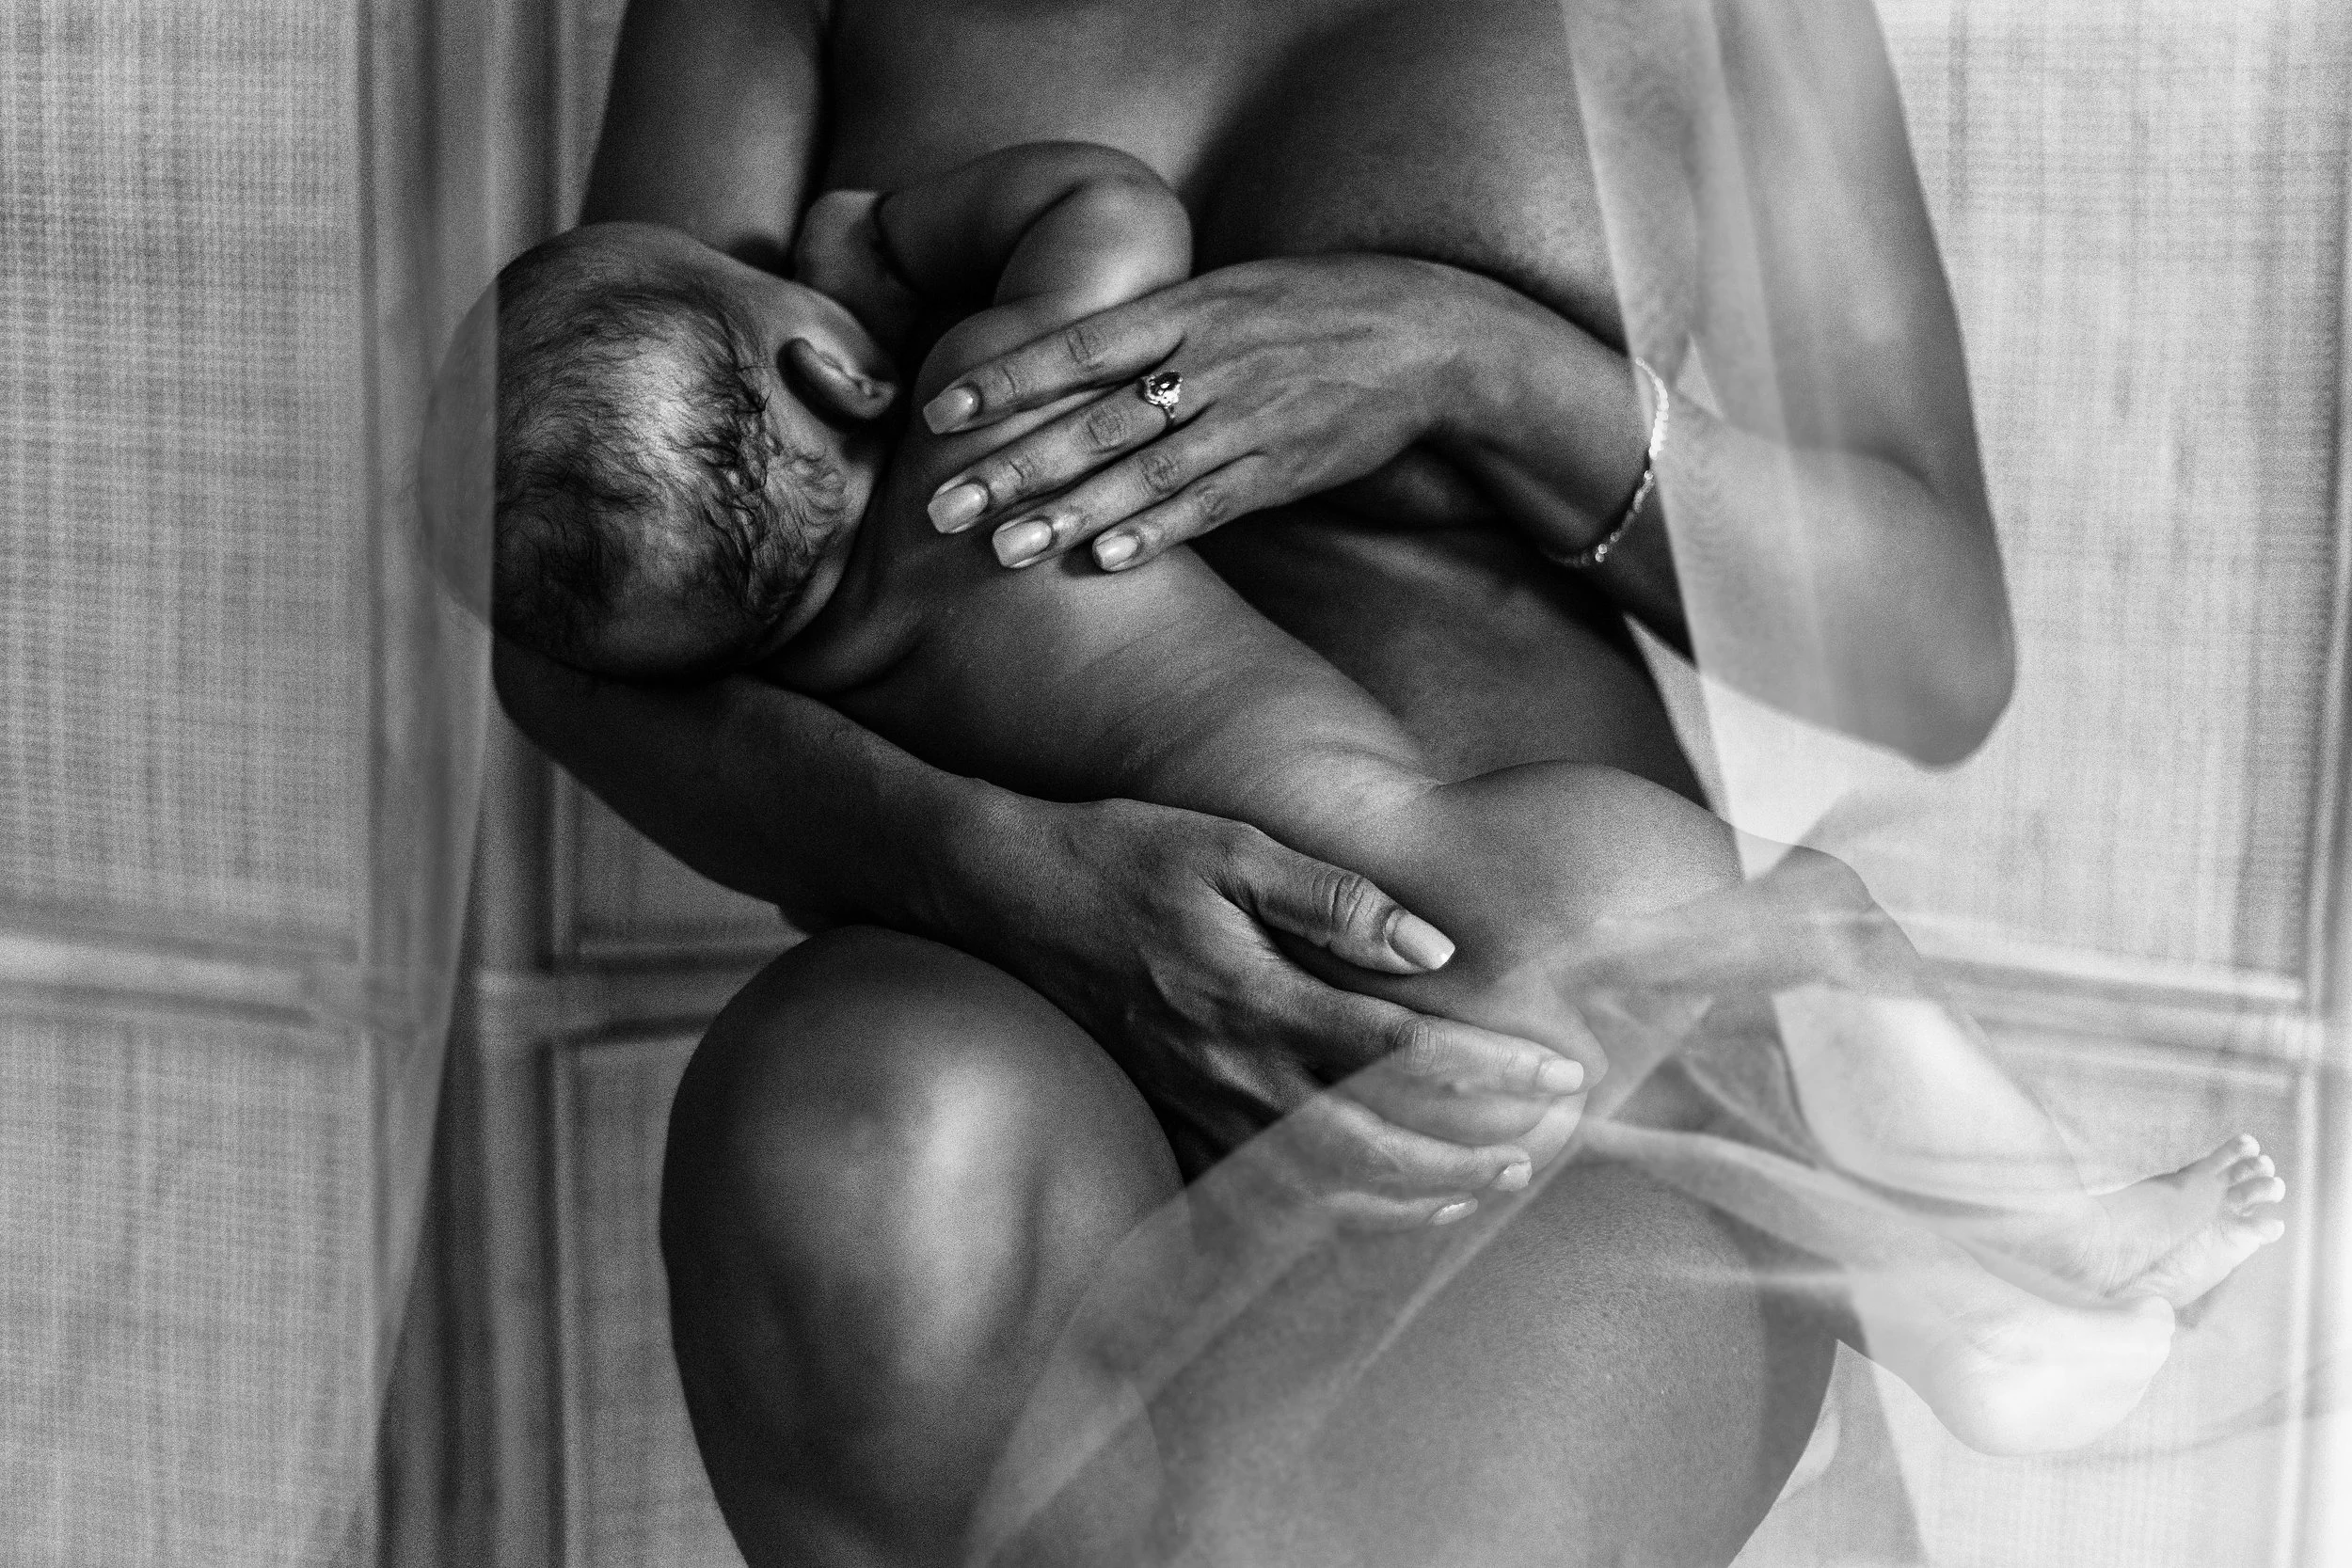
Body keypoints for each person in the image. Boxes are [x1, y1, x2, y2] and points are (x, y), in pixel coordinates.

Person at [484, 1, 2107, 1562]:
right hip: (995, 1003)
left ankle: (1971, 1288)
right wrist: (1018, 878)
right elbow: (575, 610)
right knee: (852, 1140)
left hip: (1541, 1046)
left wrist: (1475, 366)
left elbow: (1933, 653)